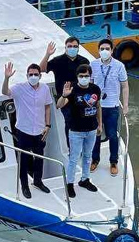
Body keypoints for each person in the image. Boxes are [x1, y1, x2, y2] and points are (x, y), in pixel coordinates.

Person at [1, 62, 53, 199]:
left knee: (39, 158)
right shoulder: (19, 88)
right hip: (24, 131)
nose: (33, 76)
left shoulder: (45, 89)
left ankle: (37, 181)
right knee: (23, 159)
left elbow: (48, 107)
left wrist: (48, 125)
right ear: (27, 75)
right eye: (31, 74)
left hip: (40, 130)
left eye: (36, 74)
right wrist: (6, 78)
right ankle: (24, 185)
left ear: (40, 76)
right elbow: (5, 92)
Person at [57, 64, 102, 197]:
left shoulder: (95, 89)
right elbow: (59, 105)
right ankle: (70, 183)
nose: (84, 78)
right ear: (77, 77)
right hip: (76, 131)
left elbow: (98, 106)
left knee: (88, 156)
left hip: (92, 129)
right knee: (74, 158)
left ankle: (85, 179)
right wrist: (64, 96)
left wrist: (100, 124)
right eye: (81, 76)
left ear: (90, 76)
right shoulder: (73, 90)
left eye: (86, 76)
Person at [90, 38, 129, 176]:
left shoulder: (119, 66)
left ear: (112, 51)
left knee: (113, 135)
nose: (104, 51)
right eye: (102, 49)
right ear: (98, 51)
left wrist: (125, 105)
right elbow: (90, 85)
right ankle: (95, 159)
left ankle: (113, 161)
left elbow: (125, 86)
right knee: (96, 134)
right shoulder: (93, 65)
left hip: (112, 106)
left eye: (107, 49)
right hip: (96, 106)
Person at [40, 38, 91, 107]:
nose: (72, 48)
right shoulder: (57, 60)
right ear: (65, 48)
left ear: (78, 48)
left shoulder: (84, 61)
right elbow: (42, 69)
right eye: (69, 46)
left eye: (75, 46)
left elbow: (88, 78)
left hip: (80, 97)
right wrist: (47, 55)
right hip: (63, 98)